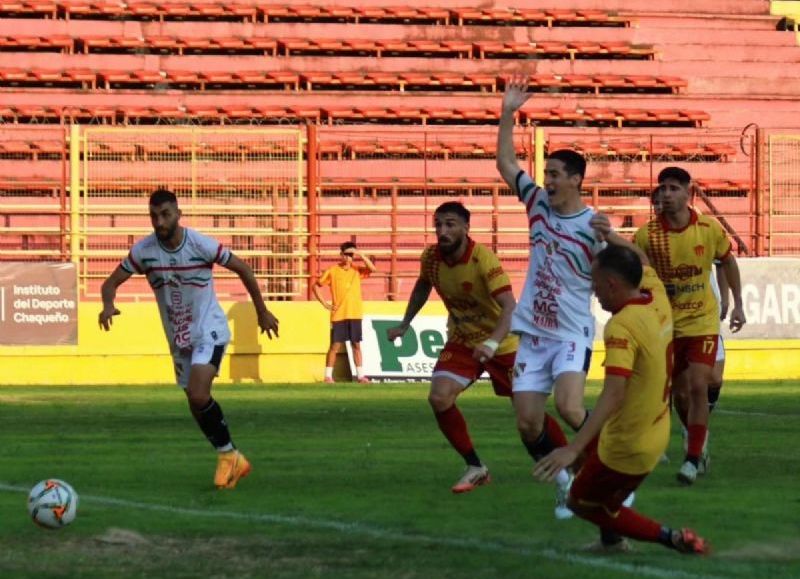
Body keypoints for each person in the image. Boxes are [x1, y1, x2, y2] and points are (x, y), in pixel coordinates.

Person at [533, 240, 709, 555]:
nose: (594, 291)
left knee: (581, 502)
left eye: (596, 284)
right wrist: (610, 234)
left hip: (627, 443)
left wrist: (573, 448)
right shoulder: (655, 295)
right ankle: (612, 541)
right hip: (655, 433)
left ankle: (671, 538)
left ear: (612, 284)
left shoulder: (621, 326)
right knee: (603, 497)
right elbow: (641, 259)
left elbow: (614, 392)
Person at [98, 188, 280, 489]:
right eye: (154, 215)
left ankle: (228, 457)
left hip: (209, 329)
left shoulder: (199, 244)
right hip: (179, 338)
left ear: (178, 214)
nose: (159, 221)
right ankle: (230, 455)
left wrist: (262, 311)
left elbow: (243, 269)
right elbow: (110, 283)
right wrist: (107, 305)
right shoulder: (144, 251)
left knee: (198, 394)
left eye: (165, 214)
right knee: (195, 402)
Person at [496, 75, 605, 518]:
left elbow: (625, 268)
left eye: (556, 175)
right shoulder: (537, 203)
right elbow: (505, 164)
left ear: (577, 180)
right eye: (547, 175)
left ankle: (612, 478)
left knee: (570, 406)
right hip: (534, 334)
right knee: (528, 422)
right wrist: (507, 113)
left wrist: (614, 243)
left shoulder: (594, 225)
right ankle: (566, 482)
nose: (548, 181)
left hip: (572, 332)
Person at [385, 201, 518, 493]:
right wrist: (405, 323)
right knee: (439, 397)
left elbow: (510, 307)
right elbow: (423, 285)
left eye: (450, 225)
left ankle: (571, 462)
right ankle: (475, 467)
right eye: (438, 225)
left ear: (466, 228)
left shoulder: (484, 259)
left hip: (502, 341)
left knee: (528, 418)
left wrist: (493, 342)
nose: (442, 231)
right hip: (461, 339)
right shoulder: (431, 258)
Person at [635, 167, 745, 485]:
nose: (666, 194)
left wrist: (736, 304)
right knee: (679, 395)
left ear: (687, 192)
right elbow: (637, 270)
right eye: (662, 189)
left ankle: (692, 459)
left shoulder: (709, 229)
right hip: (668, 325)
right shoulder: (647, 235)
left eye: (672, 188)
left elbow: (728, 261)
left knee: (700, 385)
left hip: (702, 321)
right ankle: (696, 437)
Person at [312, 241, 377, 383]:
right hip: (339, 314)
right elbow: (316, 286)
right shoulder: (332, 271)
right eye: (346, 254)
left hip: (355, 313)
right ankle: (328, 376)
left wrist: (360, 254)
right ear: (341, 255)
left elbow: (373, 269)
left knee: (356, 344)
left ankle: (360, 376)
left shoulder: (356, 270)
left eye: (351, 255)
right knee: (334, 345)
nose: (348, 258)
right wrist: (324, 303)